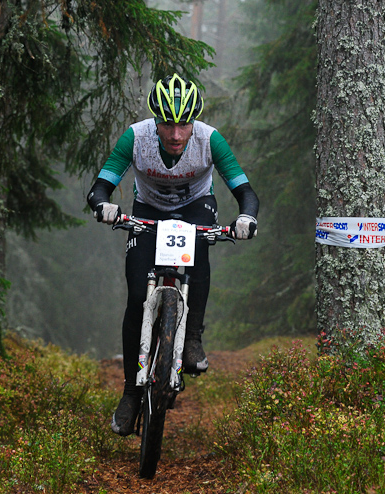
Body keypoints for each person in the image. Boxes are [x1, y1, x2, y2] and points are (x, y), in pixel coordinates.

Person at [87, 73, 259, 436]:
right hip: (147, 211)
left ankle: (192, 337)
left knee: (200, 250)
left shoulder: (209, 139)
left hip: (197, 207)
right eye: (167, 124)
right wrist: (104, 205)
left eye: (184, 124)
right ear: (155, 121)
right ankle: (131, 393)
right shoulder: (136, 137)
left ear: (194, 121)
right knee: (137, 296)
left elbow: (245, 191)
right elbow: (101, 186)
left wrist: (246, 217)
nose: (176, 134)